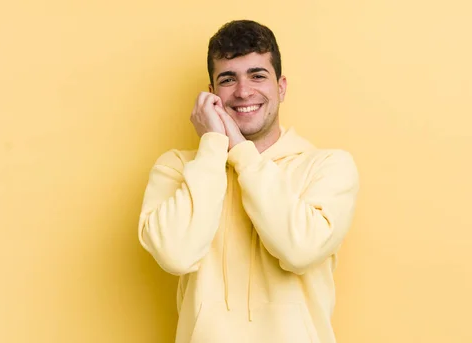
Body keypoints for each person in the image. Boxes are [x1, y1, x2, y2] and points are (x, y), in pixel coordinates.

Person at [138, 19, 359, 343]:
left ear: (281, 86)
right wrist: (213, 146)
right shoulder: (177, 168)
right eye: (228, 79)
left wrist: (241, 153)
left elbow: (300, 250)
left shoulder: (328, 166)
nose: (243, 91)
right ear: (212, 94)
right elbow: (176, 255)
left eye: (257, 75)